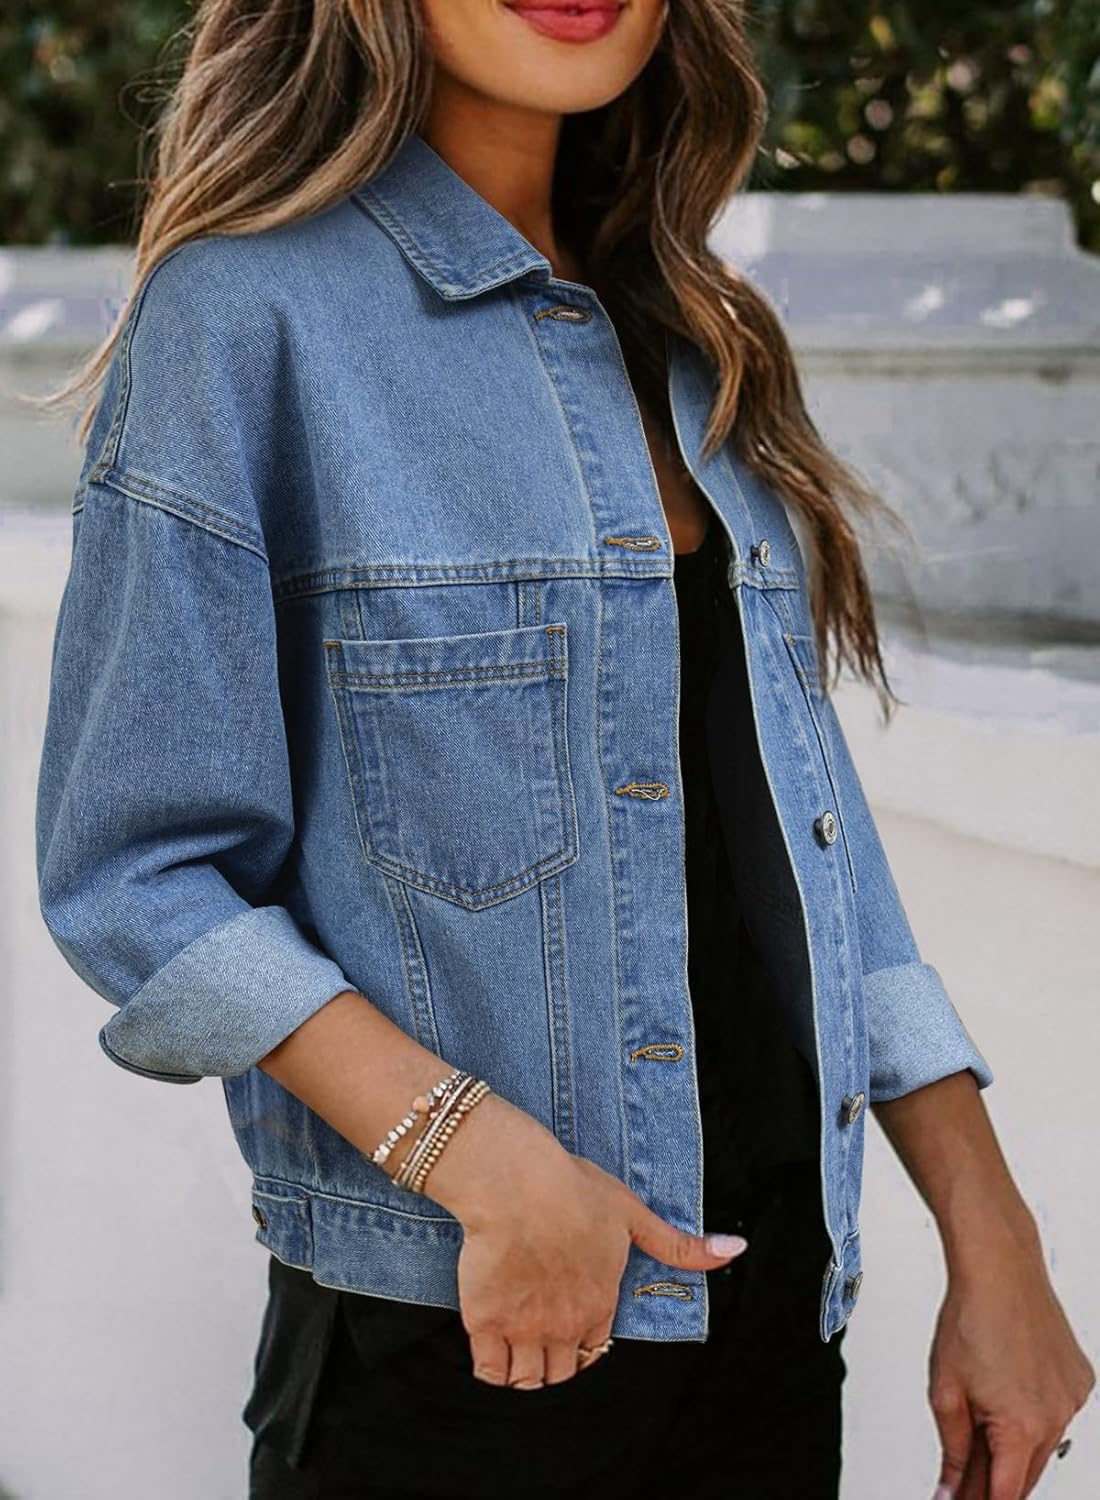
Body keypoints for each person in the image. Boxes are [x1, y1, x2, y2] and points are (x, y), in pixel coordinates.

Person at [33, 2, 1092, 1497]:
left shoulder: (699, 327)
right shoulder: (244, 319)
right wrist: (479, 1158)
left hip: (771, 1323)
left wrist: (997, 1244)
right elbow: (139, 874)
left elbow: (805, 841)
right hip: (456, 1347)